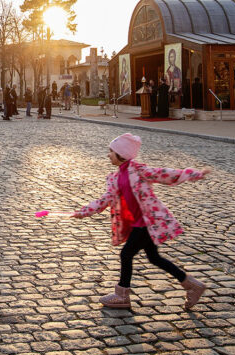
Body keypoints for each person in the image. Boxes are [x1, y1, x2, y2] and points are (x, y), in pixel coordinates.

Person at [71, 133, 210, 310]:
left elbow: (165, 174)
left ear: (121, 154)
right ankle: (192, 285)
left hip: (147, 223)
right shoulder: (116, 177)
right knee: (154, 257)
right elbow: (106, 198)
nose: (108, 155)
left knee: (126, 254)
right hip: (138, 223)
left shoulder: (138, 170)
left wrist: (194, 174)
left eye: (111, 151)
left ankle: (122, 295)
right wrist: (83, 212)